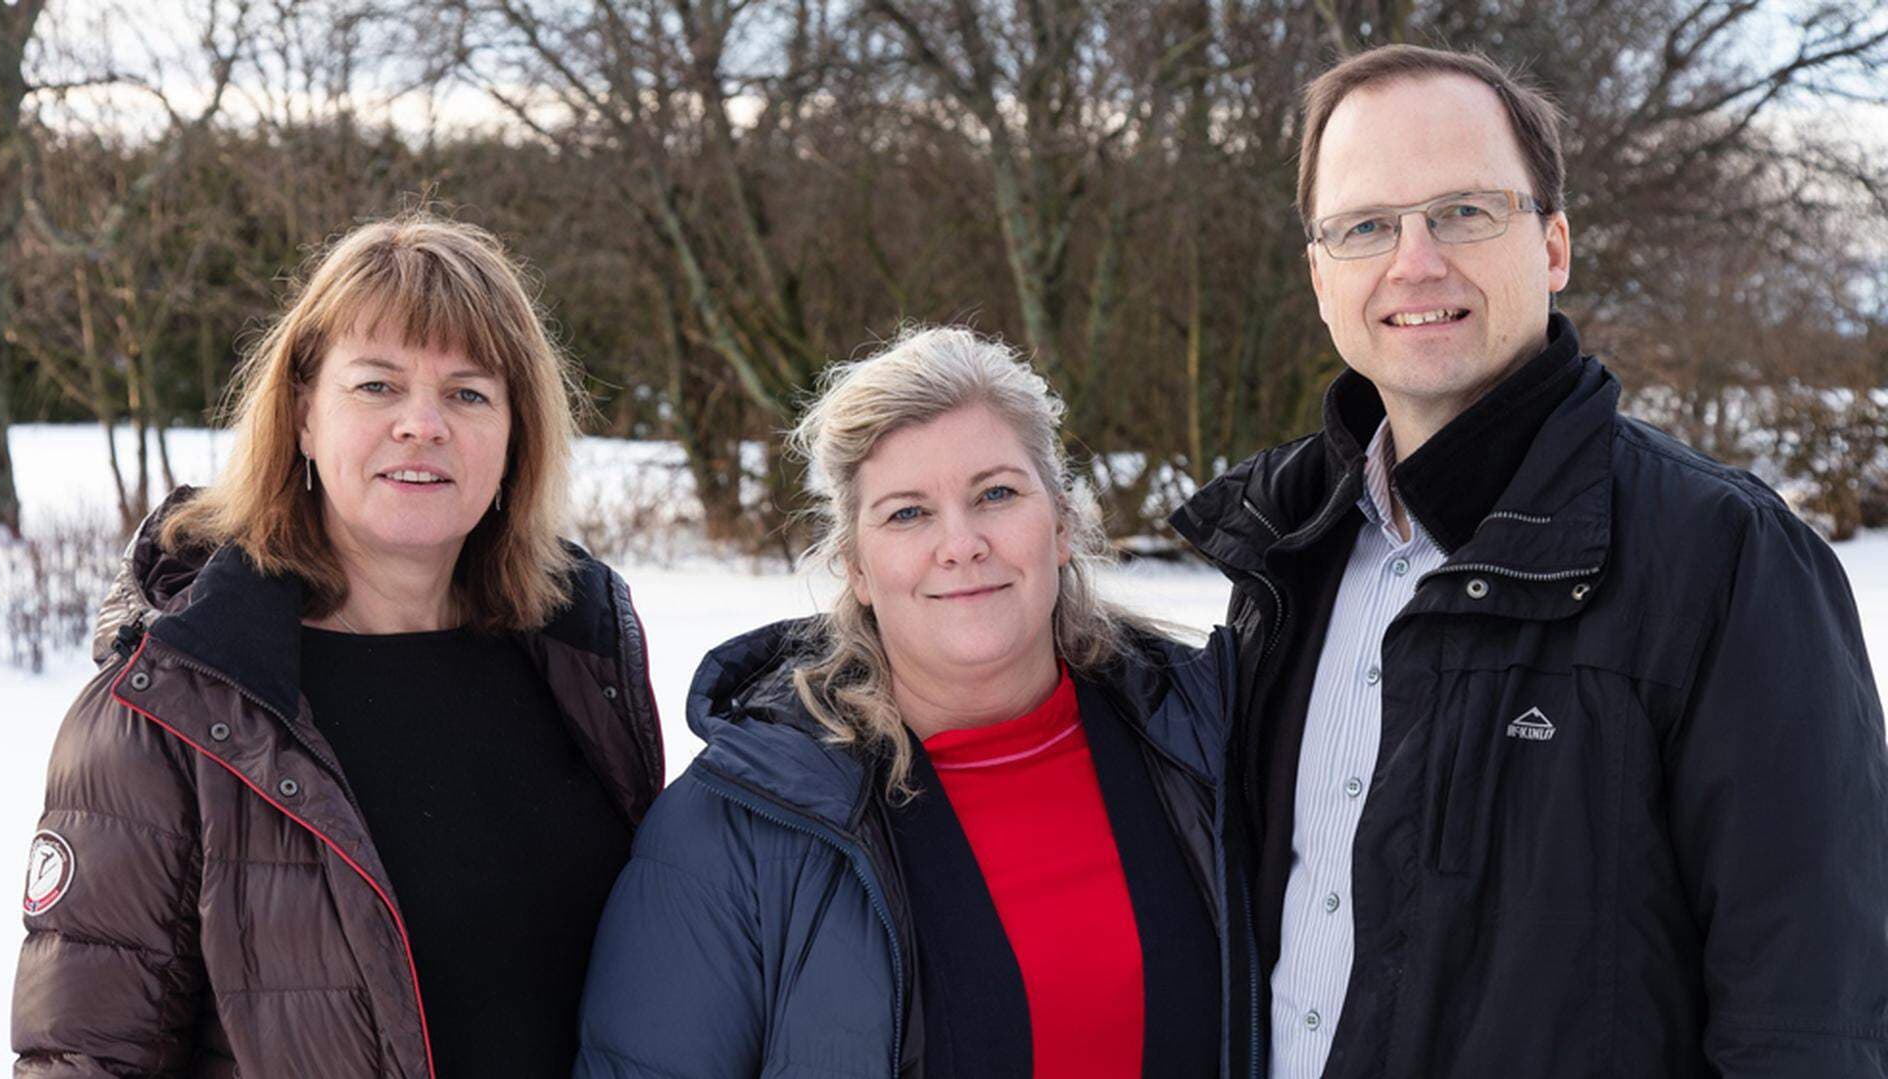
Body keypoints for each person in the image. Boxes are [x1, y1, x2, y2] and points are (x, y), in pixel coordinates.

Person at [1170, 43, 1888, 1079]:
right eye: (1367, 226)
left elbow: (1810, 1023)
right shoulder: (1285, 560)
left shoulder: (1725, 558)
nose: (1416, 261)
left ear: (1553, 245)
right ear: (1321, 275)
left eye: (1464, 211)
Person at [11, 212, 663, 1078]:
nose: (422, 424)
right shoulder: (175, 704)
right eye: (377, 386)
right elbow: (85, 1060)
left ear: (515, 439)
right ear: (304, 416)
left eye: (468, 392)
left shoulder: (581, 660)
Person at [574, 326, 1254, 1078]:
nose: (960, 544)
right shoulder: (734, 831)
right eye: (907, 513)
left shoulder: (1209, 743)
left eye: (996, 493)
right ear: (856, 566)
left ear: (1060, 524)